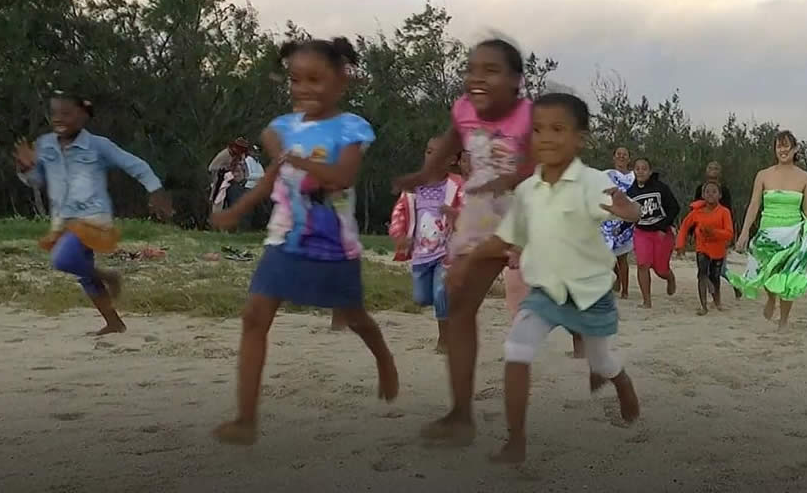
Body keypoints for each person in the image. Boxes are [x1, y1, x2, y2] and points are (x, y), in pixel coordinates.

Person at [209, 37, 398, 446]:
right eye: (296, 80)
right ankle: (245, 419)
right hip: (284, 239)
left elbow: (341, 177)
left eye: (315, 79)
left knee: (354, 316)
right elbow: (273, 173)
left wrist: (295, 158)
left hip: (334, 246)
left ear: (341, 81)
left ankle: (382, 356)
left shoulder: (351, 127)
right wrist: (237, 212)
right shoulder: (284, 127)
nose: (303, 89)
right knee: (254, 317)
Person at [393, 38, 577, 447]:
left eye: (490, 70)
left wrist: (514, 179)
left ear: (516, 81)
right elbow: (449, 143)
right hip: (480, 209)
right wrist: (425, 173)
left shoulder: (531, 117)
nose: (477, 77)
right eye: (472, 68)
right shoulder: (463, 109)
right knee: (458, 301)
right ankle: (460, 414)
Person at [453, 92, 641, 464]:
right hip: (544, 291)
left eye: (558, 128)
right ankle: (516, 441)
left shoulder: (591, 181)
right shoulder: (527, 191)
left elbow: (628, 209)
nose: (547, 137)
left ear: (579, 138)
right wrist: (467, 260)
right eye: (538, 129)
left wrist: (628, 210)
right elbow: (506, 237)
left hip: (589, 294)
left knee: (601, 360)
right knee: (516, 349)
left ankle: (621, 383)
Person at [12, 92, 175, 336]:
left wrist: (155, 190)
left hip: (92, 217)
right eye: (55, 113)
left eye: (66, 113)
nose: (59, 119)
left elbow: (136, 165)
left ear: (82, 116)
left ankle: (110, 275)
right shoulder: (45, 144)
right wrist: (26, 168)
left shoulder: (98, 146)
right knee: (83, 273)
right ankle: (114, 323)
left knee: (63, 259)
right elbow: (38, 180)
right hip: (62, 220)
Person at [729, 130, 807, 331]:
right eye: (779, 146)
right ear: (774, 149)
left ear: (795, 149)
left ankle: (784, 319)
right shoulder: (763, 175)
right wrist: (744, 232)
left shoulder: (805, 177)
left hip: (793, 232)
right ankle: (770, 297)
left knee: (788, 276)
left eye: (787, 146)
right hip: (768, 232)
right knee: (767, 273)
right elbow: (754, 205)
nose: (783, 150)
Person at [389, 136, 465, 354]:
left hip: (447, 253)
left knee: (441, 292)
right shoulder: (415, 187)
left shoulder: (457, 185)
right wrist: (399, 236)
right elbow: (399, 213)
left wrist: (456, 215)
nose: (431, 157)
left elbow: (471, 213)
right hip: (421, 253)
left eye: (438, 153)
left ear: (451, 159)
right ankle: (450, 308)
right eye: (428, 151)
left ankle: (445, 339)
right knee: (422, 298)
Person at [627, 157, 681, 308]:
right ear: (634, 171)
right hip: (641, 232)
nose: (640, 171)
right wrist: (621, 228)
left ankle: (670, 278)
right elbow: (629, 214)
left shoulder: (660, 188)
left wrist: (664, 227)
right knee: (642, 265)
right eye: (637, 168)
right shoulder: (631, 192)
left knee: (660, 270)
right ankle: (647, 301)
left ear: (650, 171)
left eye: (644, 168)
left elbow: (674, 208)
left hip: (661, 232)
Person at [675, 181, 734, 315]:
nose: (710, 194)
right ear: (702, 195)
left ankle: (717, 301)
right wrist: (680, 245)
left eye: (714, 192)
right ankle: (703, 306)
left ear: (719, 195)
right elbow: (684, 227)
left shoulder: (724, 212)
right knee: (702, 274)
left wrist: (713, 232)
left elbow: (729, 233)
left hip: (718, 250)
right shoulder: (697, 212)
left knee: (715, 276)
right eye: (707, 192)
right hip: (702, 247)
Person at [692, 160, 739, 297]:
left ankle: (732, 287)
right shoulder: (700, 188)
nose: (713, 170)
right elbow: (694, 212)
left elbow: (729, 212)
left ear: (720, 172)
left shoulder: (724, 191)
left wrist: (728, 237)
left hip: (719, 235)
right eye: (710, 167)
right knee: (704, 269)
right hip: (703, 235)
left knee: (720, 269)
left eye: (716, 168)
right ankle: (715, 294)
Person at [602, 146, 636, 299]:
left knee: (623, 256)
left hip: (627, 218)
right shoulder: (606, 174)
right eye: (619, 154)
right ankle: (615, 284)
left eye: (625, 155)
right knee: (610, 255)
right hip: (609, 219)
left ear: (629, 159)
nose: (621, 157)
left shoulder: (634, 176)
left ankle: (625, 290)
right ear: (614, 157)